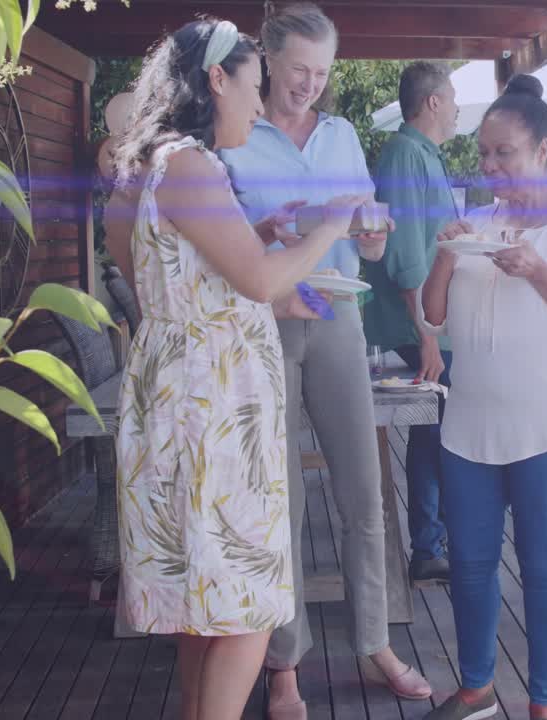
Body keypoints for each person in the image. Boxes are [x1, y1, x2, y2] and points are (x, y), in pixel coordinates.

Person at [110, 19, 364, 720]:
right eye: (253, 89)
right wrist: (329, 229)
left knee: (205, 615)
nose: (259, 108)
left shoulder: (152, 165)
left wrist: (264, 240)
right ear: (216, 80)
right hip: (212, 420)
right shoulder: (191, 165)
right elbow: (254, 281)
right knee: (248, 616)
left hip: (183, 403)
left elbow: (176, 283)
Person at [215, 4, 432, 717]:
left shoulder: (341, 135)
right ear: (270, 59)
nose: (310, 84)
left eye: (322, 72)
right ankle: (284, 664)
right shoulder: (238, 134)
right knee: (281, 499)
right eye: (300, 68)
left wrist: (372, 235)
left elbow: (364, 231)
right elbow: (223, 240)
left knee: (363, 491)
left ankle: (375, 641)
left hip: (339, 319)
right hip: (266, 326)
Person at [420, 74, 547, 720]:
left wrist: (537, 271)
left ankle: (545, 704)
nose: (489, 165)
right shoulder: (474, 224)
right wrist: (446, 257)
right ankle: (477, 688)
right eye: (483, 153)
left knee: (542, 565)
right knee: (471, 563)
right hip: (471, 427)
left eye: (503, 152)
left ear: (541, 152)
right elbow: (432, 319)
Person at [364, 60, 460, 586]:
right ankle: (428, 547)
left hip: (432, 321)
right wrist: (428, 337)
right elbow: (402, 259)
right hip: (417, 326)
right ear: (433, 103)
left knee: (439, 430)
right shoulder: (404, 155)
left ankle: (436, 539)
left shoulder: (426, 155)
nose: (458, 107)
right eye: (453, 96)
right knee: (434, 432)